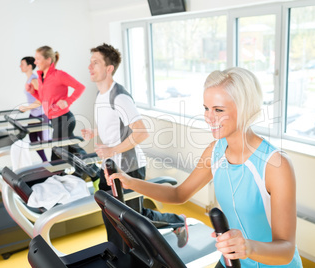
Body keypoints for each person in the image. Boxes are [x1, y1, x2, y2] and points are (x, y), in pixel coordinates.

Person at [107, 67, 302, 267]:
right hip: (231, 261)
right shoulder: (215, 152)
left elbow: (286, 250)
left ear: (244, 109)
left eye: (218, 110)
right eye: (206, 108)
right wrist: (130, 182)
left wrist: (248, 247)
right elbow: (179, 194)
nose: (209, 117)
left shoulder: (275, 164)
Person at [82, 43, 188, 249]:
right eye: (90, 62)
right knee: (111, 215)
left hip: (128, 167)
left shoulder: (119, 96)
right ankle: (118, 255)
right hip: (111, 166)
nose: (90, 66)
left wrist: (112, 149)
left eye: (95, 62)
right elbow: (112, 123)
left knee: (132, 218)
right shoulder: (100, 94)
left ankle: (177, 221)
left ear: (109, 68)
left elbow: (141, 132)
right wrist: (95, 133)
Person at [26, 46, 85, 160]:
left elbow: (80, 87)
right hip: (54, 120)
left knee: (56, 154)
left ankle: (57, 175)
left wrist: (68, 101)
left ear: (48, 60)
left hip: (64, 119)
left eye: (38, 59)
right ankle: (93, 171)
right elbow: (44, 99)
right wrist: (32, 92)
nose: (35, 62)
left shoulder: (59, 75)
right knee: (73, 149)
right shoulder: (41, 77)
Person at [19, 56, 48, 162]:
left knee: (46, 141)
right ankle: (45, 162)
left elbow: (41, 100)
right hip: (33, 114)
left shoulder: (34, 80)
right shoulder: (29, 79)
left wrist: (26, 108)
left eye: (22, 64)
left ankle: (51, 163)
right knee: (33, 140)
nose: (20, 66)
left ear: (29, 66)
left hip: (40, 114)